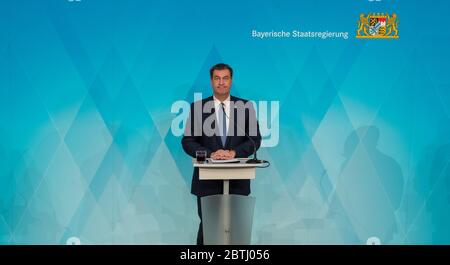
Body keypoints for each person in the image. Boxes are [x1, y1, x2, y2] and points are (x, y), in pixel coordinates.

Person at [181, 63, 261, 245]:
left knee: (237, 229)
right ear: (211, 81)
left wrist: (234, 152)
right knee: (209, 228)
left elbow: (254, 139)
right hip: (207, 181)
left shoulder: (245, 106)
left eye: (225, 78)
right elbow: (188, 142)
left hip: (238, 180)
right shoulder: (198, 108)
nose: (221, 83)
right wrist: (211, 154)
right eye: (217, 78)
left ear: (231, 81)